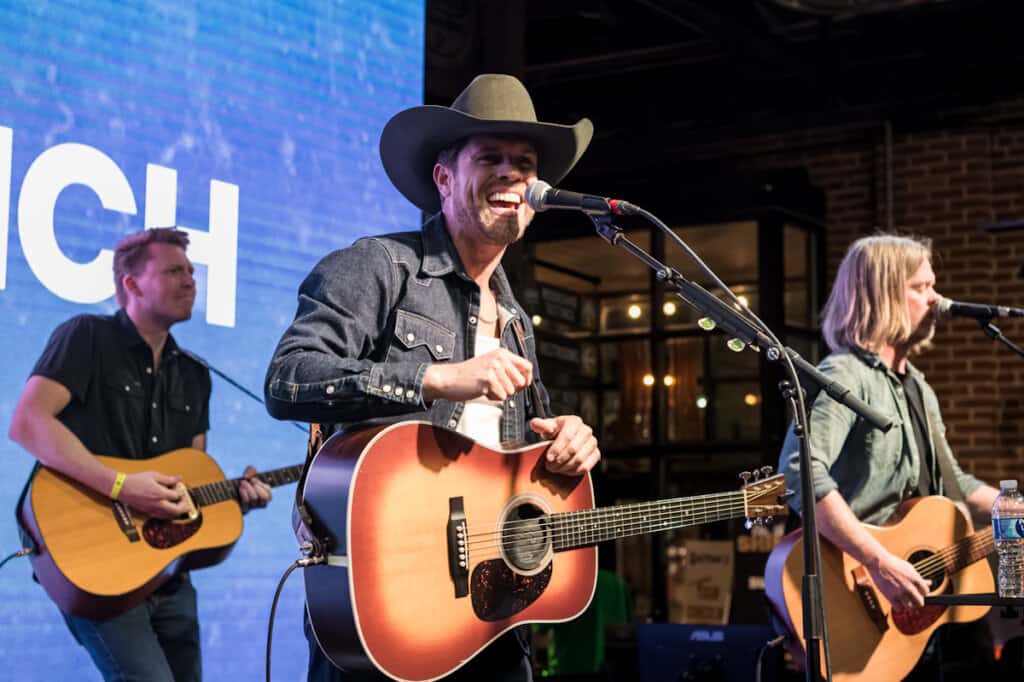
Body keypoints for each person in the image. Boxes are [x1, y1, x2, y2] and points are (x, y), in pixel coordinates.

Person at [264, 73, 602, 681]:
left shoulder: (517, 322)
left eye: (524, 164)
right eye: (490, 158)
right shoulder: (378, 265)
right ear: (443, 179)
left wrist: (568, 442)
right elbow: (288, 378)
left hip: (491, 610)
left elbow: (521, 454)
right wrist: (434, 379)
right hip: (388, 601)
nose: (511, 174)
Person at [9, 227, 273, 682]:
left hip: (168, 573)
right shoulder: (86, 336)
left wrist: (236, 498)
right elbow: (28, 423)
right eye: (173, 271)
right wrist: (121, 486)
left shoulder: (195, 374)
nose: (190, 281)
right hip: (96, 564)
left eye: (191, 271)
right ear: (131, 284)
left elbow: (188, 484)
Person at [777, 233, 999, 677]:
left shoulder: (918, 387)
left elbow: (954, 482)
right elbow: (799, 470)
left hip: (928, 610)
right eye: (921, 287)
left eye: (933, 285)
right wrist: (878, 561)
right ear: (883, 296)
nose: (936, 299)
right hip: (860, 589)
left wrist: (1013, 508)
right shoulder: (845, 375)